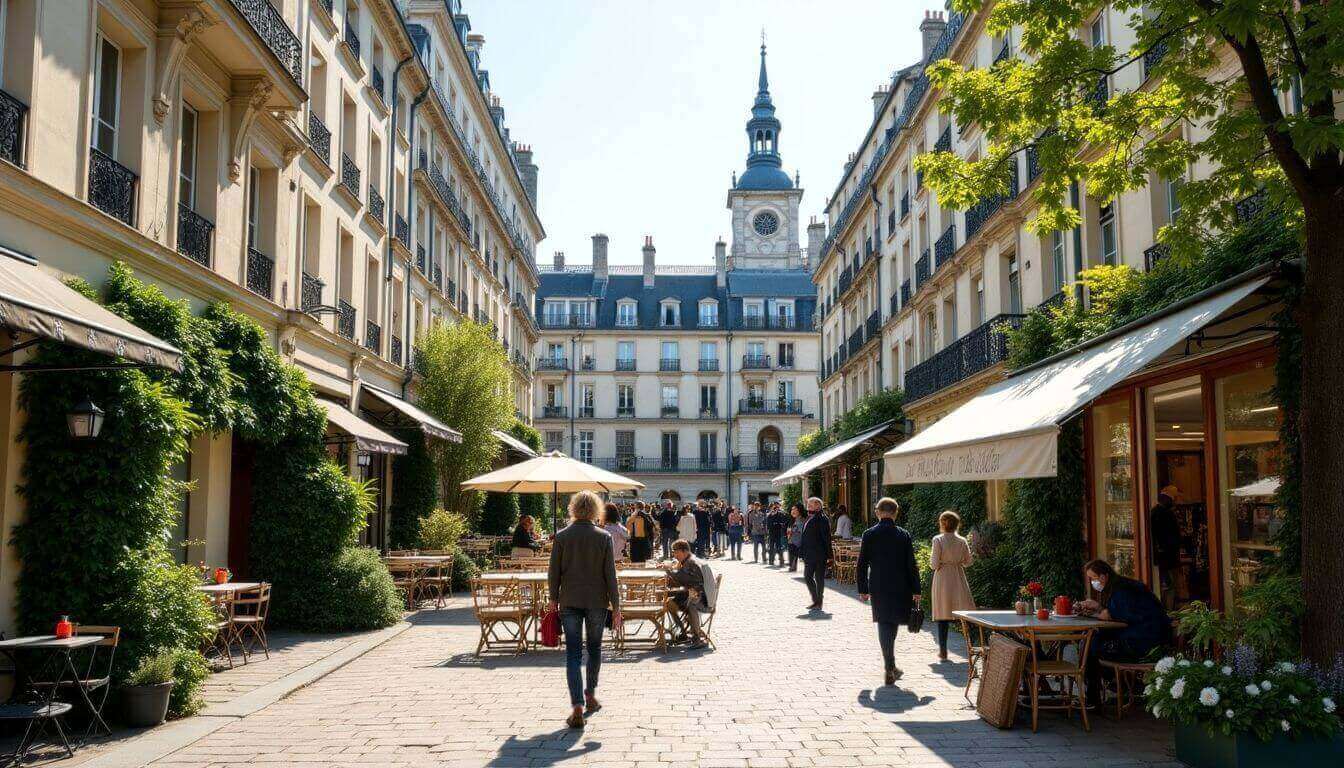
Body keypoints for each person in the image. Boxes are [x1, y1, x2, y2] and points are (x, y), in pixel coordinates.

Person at [546, 490, 622, 729]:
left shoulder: (562, 536)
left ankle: (577, 705)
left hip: (569, 600)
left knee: (572, 653)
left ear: (573, 509)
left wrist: (552, 599)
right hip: (597, 601)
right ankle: (590, 695)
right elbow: (610, 574)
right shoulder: (603, 537)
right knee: (595, 648)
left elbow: (553, 572)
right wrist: (617, 606)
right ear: (596, 510)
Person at [1077, 558, 1170, 706]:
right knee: (1092, 641)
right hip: (1155, 639)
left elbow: (1115, 616)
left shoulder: (1121, 590)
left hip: (1142, 644)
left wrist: (1100, 612)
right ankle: (1105, 688)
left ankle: (1095, 694)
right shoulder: (1122, 585)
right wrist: (1100, 609)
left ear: (1103, 576)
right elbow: (1121, 614)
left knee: (1090, 644)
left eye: (1093, 578)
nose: (1092, 582)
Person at [856, 497, 922, 685]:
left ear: (878, 512)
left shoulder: (869, 534)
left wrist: (863, 588)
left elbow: (861, 564)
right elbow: (912, 565)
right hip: (901, 586)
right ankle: (890, 666)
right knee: (891, 624)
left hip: (878, 585)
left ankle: (890, 666)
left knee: (885, 622)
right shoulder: (903, 534)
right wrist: (916, 589)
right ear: (896, 512)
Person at [929, 510, 975, 661]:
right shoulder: (962, 540)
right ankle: (971, 646)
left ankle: (943, 651)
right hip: (957, 576)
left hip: (942, 578)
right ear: (957, 524)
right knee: (963, 613)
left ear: (942, 523)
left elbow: (934, 564)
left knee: (943, 615)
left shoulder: (938, 540)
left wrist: (943, 562)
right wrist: (957, 562)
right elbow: (969, 562)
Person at [664, 539, 716, 649]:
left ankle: (697, 638)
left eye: (676, 552)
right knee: (669, 603)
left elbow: (681, 578)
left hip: (703, 601)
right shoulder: (687, 561)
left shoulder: (691, 563)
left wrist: (668, 570)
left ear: (684, 551)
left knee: (691, 604)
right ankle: (683, 632)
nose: (674, 555)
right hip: (692, 595)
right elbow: (682, 580)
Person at [1149, 486, 1183, 608]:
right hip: (1165, 558)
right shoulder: (1162, 514)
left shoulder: (1157, 512)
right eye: (1174, 498)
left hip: (1165, 557)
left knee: (1168, 585)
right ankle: (1168, 610)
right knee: (1168, 585)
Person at [799, 497, 832, 610]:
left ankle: (819, 601)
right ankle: (816, 600)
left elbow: (826, 538)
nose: (808, 506)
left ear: (818, 505)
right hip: (809, 554)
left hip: (819, 554)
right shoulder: (810, 517)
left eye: (810, 504)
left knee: (819, 578)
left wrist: (829, 555)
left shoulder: (822, 518)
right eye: (808, 504)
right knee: (807, 577)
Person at [787, 503, 806, 572]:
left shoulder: (802, 520)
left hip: (798, 542)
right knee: (792, 555)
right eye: (792, 509)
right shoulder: (793, 519)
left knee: (799, 556)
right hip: (791, 541)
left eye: (795, 509)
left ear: (800, 510)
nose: (793, 511)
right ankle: (792, 566)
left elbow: (802, 532)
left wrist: (793, 531)